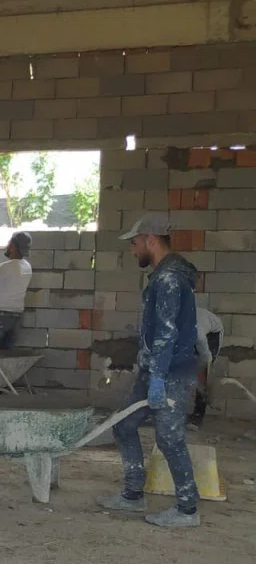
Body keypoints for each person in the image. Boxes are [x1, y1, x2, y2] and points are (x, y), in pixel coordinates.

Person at [98, 213, 201, 528]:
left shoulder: (169, 279)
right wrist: (149, 369)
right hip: (155, 368)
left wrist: (158, 377)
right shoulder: (162, 276)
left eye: (134, 243)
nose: (133, 250)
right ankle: (133, 495)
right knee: (124, 425)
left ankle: (187, 510)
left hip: (171, 372)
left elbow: (166, 332)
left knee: (169, 438)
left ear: (151, 240)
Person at [191, 305, 224, 428]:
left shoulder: (198, 334)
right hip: (196, 327)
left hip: (212, 334)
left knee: (202, 373)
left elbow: (206, 358)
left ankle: (198, 415)